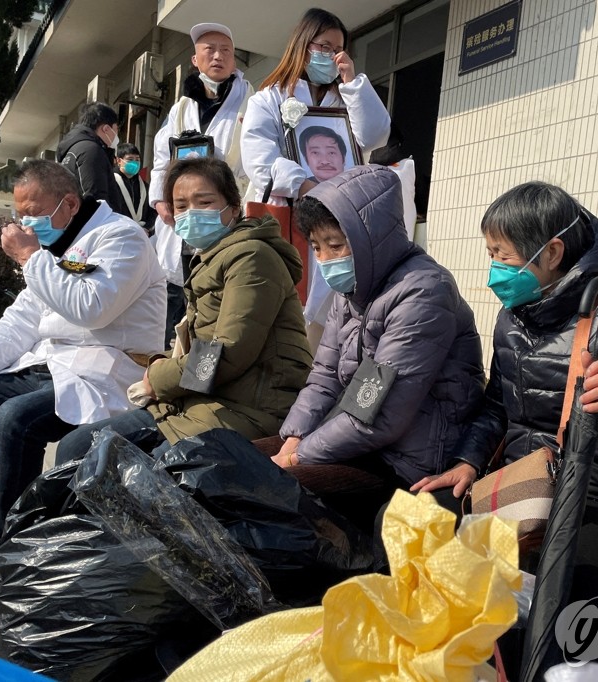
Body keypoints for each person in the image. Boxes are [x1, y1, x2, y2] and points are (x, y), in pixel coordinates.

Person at [412, 181, 598, 670]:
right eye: (490, 252)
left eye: (503, 255)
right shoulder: (512, 319)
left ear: (552, 251)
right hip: (518, 483)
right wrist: (468, 462)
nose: (494, 268)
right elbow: (497, 405)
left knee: (575, 613)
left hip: (590, 498)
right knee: (426, 543)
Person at [0, 159, 166, 604]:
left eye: (33, 213)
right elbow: (23, 320)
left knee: (15, 418)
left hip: (105, 372)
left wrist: (30, 257)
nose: (24, 223)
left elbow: (91, 308)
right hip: (53, 365)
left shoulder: (121, 238)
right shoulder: (60, 244)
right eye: (18, 214)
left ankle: (0, 543)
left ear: (67, 204)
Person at [54, 156, 313, 464]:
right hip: (200, 402)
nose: (191, 213)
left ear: (233, 207)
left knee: (127, 471)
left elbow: (228, 352)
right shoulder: (212, 258)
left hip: (246, 409)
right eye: (181, 206)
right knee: (76, 447)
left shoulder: (251, 257)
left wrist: (158, 376)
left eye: (204, 202)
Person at [271, 165, 484, 531]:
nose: (325, 260)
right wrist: (293, 439)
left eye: (336, 245)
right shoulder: (352, 290)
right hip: (360, 442)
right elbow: (323, 377)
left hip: (409, 461)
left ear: (372, 238)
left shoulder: (423, 291)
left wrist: (297, 458)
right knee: (247, 462)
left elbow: (378, 416)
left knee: (268, 489)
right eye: (317, 248)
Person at [241, 8, 390, 351]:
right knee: (282, 300)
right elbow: (259, 157)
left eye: (338, 50)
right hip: (288, 211)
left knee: (334, 308)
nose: (331, 57)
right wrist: (306, 186)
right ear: (302, 45)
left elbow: (376, 135)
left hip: (338, 216)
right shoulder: (270, 98)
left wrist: (352, 83)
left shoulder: (345, 99)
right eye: (323, 47)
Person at [149, 22, 254, 346]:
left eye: (226, 51)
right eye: (209, 50)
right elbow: (160, 161)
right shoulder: (181, 108)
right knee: (175, 311)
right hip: (181, 222)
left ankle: (206, 377)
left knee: (219, 305)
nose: (218, 56)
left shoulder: (252, 103)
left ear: (235, 60)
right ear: (195, 59)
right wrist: (159, 201)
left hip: (226, 218)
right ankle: (169, 378)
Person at [56, 101, 127, 214]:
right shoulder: (91, 151)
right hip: (94, 227)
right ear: (106, 129)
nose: (116, 135)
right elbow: (96, 200)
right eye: (116, 129)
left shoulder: (74, 148)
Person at [113, 142, 155, 231]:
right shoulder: (111, 183)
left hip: (143, 232)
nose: (134, 163)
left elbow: (152, 211)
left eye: (137, 159)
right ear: (119, 161)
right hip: (119, 231)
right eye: (130, 159)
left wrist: (146, 228)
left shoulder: (144, 186)